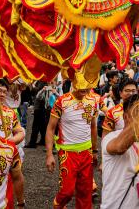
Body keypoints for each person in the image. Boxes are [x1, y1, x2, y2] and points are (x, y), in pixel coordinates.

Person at [45, 74, 98, 209]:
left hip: (86, 152)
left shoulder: (93, 101)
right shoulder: (62, 101)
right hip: (67, 153)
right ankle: (58, 204)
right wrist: (49, 154)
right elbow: (51, 129)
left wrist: (95, 150)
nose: (84, 88)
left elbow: (93, 126)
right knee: (67, 192)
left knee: (85, 193)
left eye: (87, 84)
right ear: (74, 81)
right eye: (81, 83)